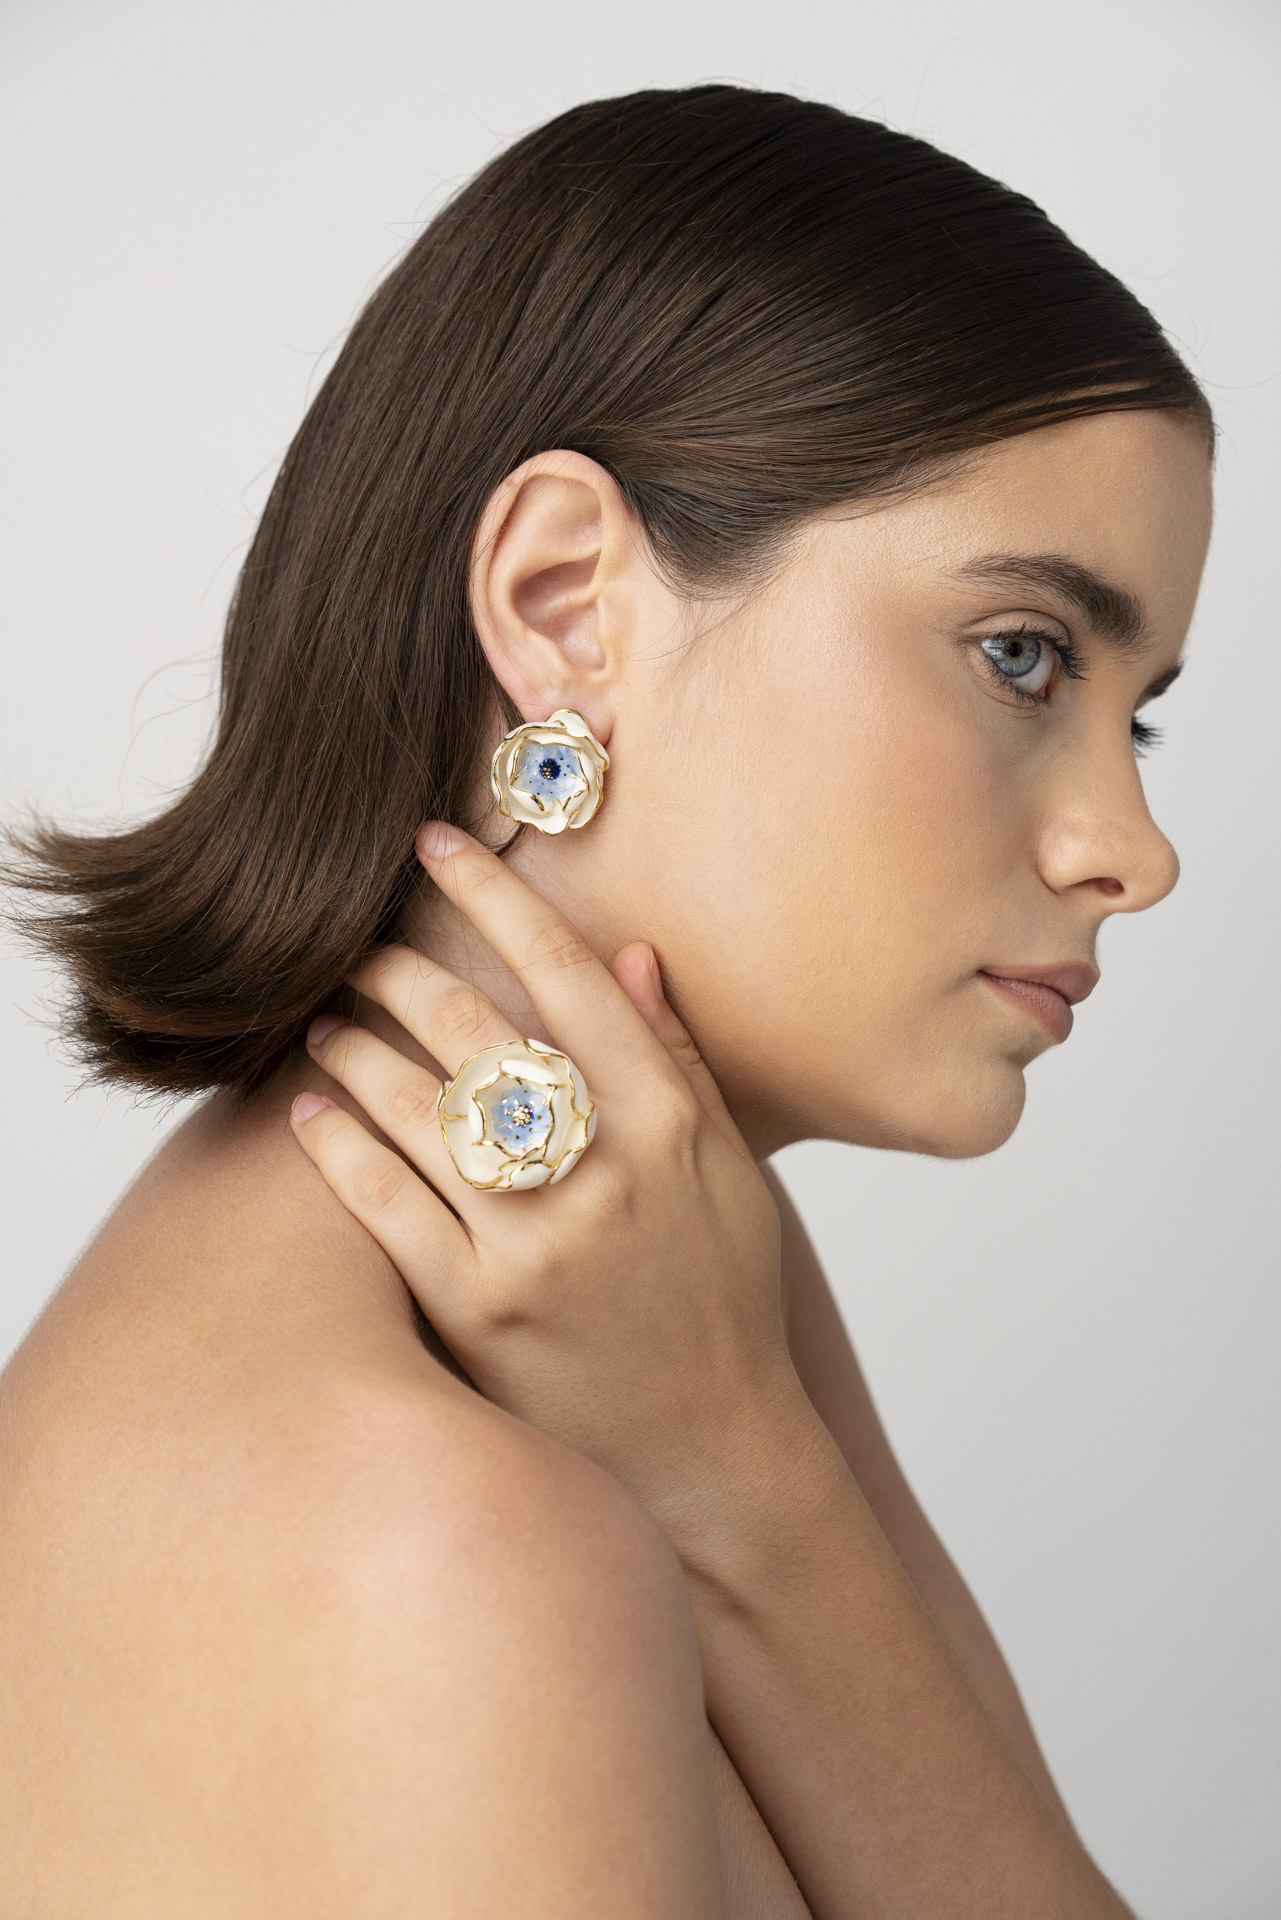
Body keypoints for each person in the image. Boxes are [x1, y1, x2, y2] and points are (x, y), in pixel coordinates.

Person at [0, 84, 1212, 1917]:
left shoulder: (675, 1283)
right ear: (566, 602)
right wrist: (744, 1483)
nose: (1132, 849)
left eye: (1139, 717)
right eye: (1021, 655)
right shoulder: (431, 1547)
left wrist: (744, 1475)